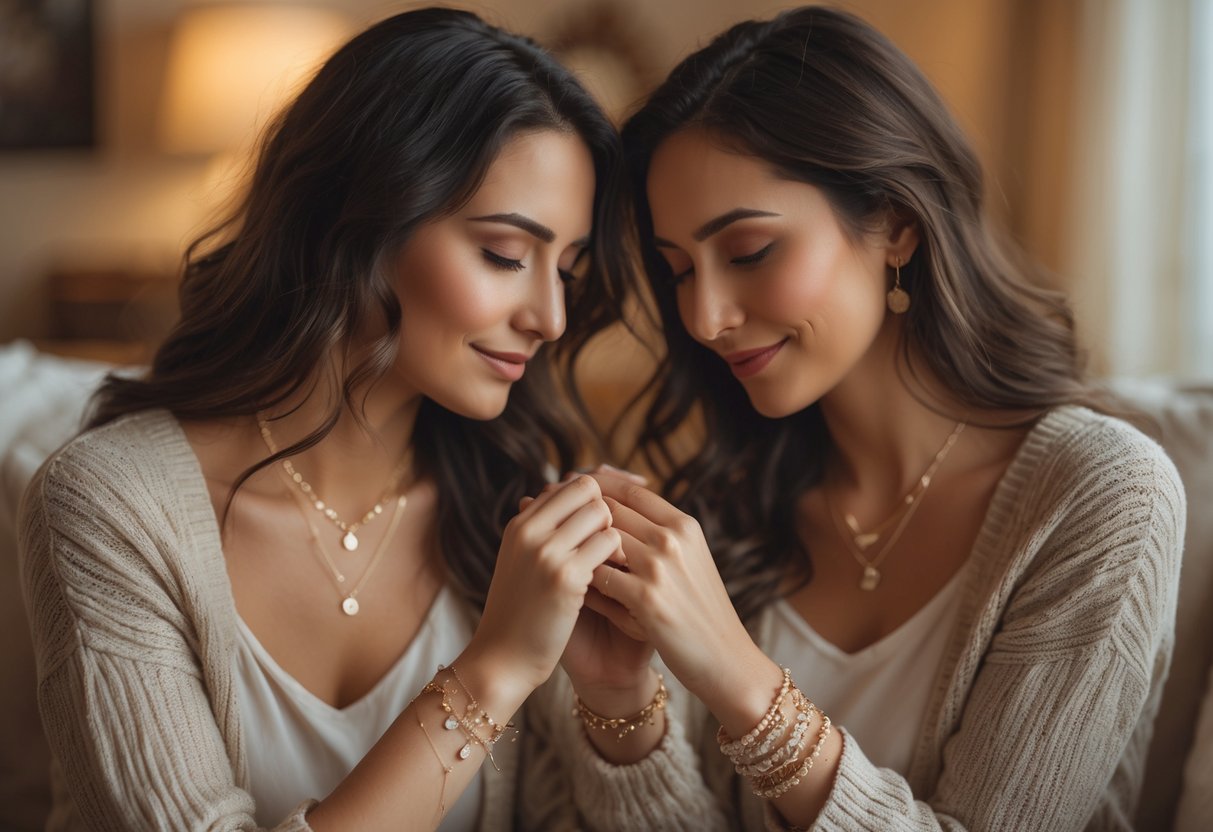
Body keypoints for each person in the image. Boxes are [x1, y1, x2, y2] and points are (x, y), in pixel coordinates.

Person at [528, 6, 1186, 830]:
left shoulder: (1102, 495)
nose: (703, 317)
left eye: (748, 252)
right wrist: (623, 708)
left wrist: (737, 677)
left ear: (897, 224)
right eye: (676, 271)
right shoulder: (730, 505)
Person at [18, 7, 632, 830]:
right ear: (359, 220)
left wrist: (622, 704)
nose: (551, 317)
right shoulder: (111, 505)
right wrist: (491, 673)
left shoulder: (518, 507)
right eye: (504, 256)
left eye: (567, 268)